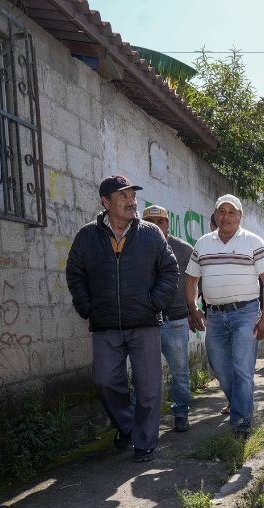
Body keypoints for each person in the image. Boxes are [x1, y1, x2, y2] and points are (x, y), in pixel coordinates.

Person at [66, 175, 179, 462]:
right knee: (104, 380)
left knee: (148, 386)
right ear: (106, 203)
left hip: (143, 322)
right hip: (105, 324)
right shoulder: (87, 236)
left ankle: (145, 443)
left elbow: (170, 270)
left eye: (132, 196)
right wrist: (87, 307)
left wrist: (154, 302)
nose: (131, 202)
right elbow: (75, 273)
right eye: (123, 197)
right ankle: (128, 425)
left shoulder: (151, 233)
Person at [185, 194, 264, 439]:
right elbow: (192, 279)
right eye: (221, 211)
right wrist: (193, 308)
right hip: (214, 316)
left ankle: (242, 422)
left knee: (242, 369)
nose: (225, 216)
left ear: (240, 216)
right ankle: (241, 404)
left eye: (231, 211)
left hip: (245, 313)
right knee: (221, 369)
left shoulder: (253, 242)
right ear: (215, 215)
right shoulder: (203, 244)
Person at [142, 205, 194, 433]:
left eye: (160, 221)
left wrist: (192, 309)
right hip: (146, 322)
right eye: (151, 222)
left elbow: (194, 282)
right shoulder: (136, 247)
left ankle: (181, 413)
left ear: (167, 223)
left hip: (175, 320)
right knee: (145, 374)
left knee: (179, 371)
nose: (157, 226)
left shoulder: (183, 250)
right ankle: (146, 420)